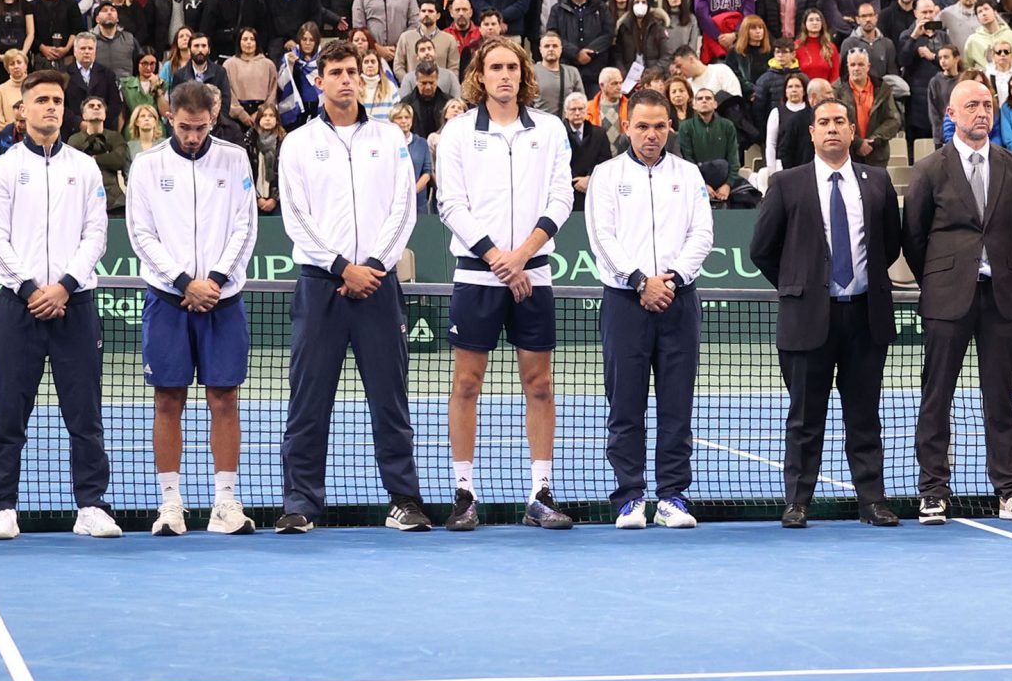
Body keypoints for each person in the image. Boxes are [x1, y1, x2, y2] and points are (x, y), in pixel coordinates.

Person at [275, 38, 428, 534]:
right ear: (318, 82)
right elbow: (295, 217)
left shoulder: (389, 139)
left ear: (363, 79)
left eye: (351, 71)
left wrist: (373, 266)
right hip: (321, 287)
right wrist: (343, 267)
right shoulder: (297, 143)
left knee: (391, 399)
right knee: (308, 400)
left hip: (378, 287)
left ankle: (405, 500)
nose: (344, 79)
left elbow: (405, 208)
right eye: (334, 71)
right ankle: (300, 504)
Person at [436, 34, 575, 530]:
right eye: (495, 67)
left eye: (512, 68)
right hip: (478, 275)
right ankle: (463, 493)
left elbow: (561, 198)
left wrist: (521, 258)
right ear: (480, 74)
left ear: (523, 74)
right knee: (466, 384)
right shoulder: (456, 133)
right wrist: (498, 259)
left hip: (532, 273)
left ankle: (539, 492)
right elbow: (450, 204)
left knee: (540, 385)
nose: (504, 75)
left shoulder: (551, 129)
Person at [748, 95, 905, 529]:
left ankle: (872, 501)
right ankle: (798, 502)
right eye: (824, 122)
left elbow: (889, 245)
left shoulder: (877, 181)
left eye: (841, 121)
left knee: (865, 414)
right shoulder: (788, 183)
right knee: (803, 417)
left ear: (852, 132)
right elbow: (761, 249)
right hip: (807, 319)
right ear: (812, 132)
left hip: (865, 318)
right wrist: (798, 285)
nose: (833, 127)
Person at [0, 69, 117, 540]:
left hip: (75, 304)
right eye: (41, 100)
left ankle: (92, 505)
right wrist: (30, 289)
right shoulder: (3, 168)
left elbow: (96, 233)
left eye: (57, 100)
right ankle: (1, 507)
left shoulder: (84, 167)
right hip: (19, 307)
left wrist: (64, 286)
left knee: (85, 411)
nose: (51, 107)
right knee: (9, 410)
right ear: (23, 109)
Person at [905, 73, 1012, 524]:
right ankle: (933, 491)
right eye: (971, 106)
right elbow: (915, 238)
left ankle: (1009, 490)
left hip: (1000, 296)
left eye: (987, 105)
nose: (981, 112)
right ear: (951, 114)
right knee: (936, 396)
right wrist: (946, 275)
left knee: (1000, 397)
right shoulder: (929, 169)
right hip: (947, 299)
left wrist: (997, 268)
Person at [128, 79, 258, 536]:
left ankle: (224, 502)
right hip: (169, 300)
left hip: (223, 300)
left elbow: (245, 226)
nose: (193, 136)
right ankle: (171, 505)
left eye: (201, 128)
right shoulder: (146, 165)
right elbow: (141, 234)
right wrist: (185, 283)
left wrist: (216, 281)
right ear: (169, 117)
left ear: (213, 118)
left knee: (225, 399)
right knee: (169, 399)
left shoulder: (235, 157)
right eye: (185, 127)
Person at [586, 86, 713, 530]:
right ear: (626, 128)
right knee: (625, 406)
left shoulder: (690, 175)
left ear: (670, 128)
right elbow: (602, 237)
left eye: (659, 126)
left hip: (679, 303)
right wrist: (641, 281)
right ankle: (630, 498)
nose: (651, 134)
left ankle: (673, 497)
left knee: (677, 406)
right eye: (642, 126)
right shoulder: (605, 175)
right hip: (625, 303)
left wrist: (671, 280)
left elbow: (702, 234)